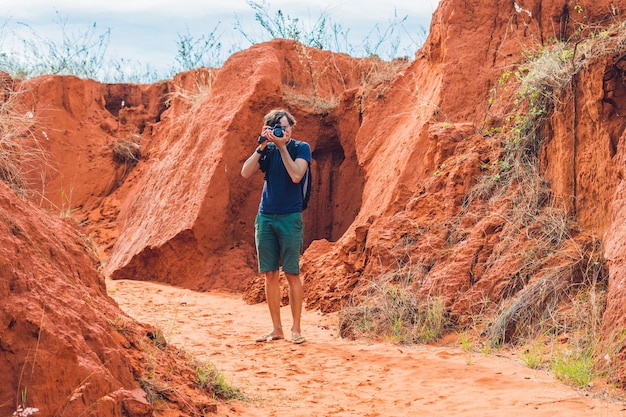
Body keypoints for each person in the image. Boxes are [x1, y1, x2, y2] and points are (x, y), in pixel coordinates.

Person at [241, 109, 311, 345]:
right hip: (265, 217)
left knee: (292, 273)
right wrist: (262, 145)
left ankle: (296, 329)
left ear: (292, 127)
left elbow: (296, 175)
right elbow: (245, 172)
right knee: (269, 274)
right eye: (278, 128)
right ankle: (276, 329)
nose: (283, 131)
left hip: (290, 217)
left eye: (286, 127)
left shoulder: (301, 148)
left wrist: (282, 146)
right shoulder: (267, 150)